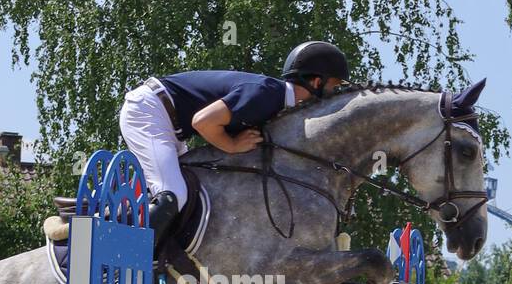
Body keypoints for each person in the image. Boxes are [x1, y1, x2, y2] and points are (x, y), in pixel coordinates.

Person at [118, 42, 350, 260]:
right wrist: (232, 145)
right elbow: (202, 121)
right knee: (173, 194)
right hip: (149, 112)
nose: (336, 94)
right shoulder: (268, 93)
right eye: (335, 86)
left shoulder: (278, 102)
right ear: (317, 82)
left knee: (190, 194)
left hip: (169, 123)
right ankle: (127, 261)